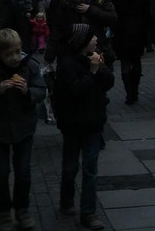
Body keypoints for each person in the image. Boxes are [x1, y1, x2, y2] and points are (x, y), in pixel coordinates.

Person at [0, 29, 45, 231]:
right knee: (1, 173)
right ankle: (3, 212)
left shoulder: (30, 66)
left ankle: (22, 209)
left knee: (23, 171)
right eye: (8, 54)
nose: (14, 58)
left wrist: (28, 92)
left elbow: (41, 90)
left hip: (24, 127)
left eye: (17, 51)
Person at [52, 24, 113, 231]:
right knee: (70, 166)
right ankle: (66, 200)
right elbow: (76, 91)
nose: (96, 39)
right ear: (82, 42)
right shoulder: (67, 65)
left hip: (93, 122)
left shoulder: (93, 57)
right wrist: (93, 72)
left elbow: (108, 83)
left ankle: (88, 212)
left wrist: (101, 68)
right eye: (91, 37)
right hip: (73, 123)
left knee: (90, 167)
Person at [46, 0, 117, 65]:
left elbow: (112, 18)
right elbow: (56, 27)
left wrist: (91, 10)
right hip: (69, 49)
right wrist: (50, 55)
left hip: (95, 47)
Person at [110, 0, 151, 105]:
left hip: (121, 29)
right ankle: (135, 90)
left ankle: (129, 93)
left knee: (125, 61)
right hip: (139, 29)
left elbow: (113, 11)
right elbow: (147, 12)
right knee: (136, 60)